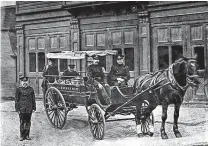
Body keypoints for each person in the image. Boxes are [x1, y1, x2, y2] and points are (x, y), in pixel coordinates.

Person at [15, 76, 36, 141]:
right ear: (21, 82)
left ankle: (27, 135)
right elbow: (16, 100)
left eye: (26, 81)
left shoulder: (31, 89)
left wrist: (34, 107)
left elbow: (33, 99)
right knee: (22, 122)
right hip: (22, 109)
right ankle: (21, 135)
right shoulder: (18, 89)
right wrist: (17, 109)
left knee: (28, 122)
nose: (25, 83)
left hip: (29, 108)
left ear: (28, 82)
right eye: (23, 82)